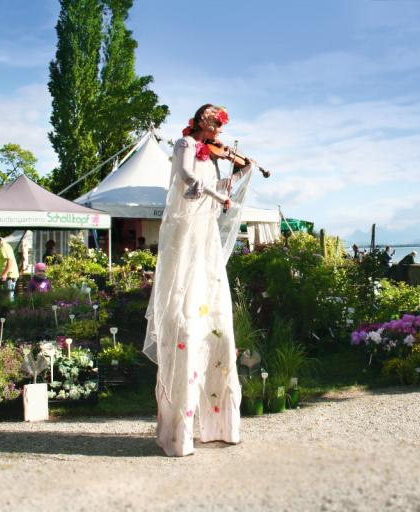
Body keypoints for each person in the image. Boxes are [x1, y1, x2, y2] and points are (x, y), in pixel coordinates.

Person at [143, 104, 252, 457]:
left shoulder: (214, 155)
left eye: (220, 128)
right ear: (203, 124)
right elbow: (187, 177)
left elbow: (213, 186)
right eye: (215, 127)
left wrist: (237, 177)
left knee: (214, 315)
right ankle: (179, 431)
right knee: (184, 313)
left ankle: (219, 425)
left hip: (203, 231)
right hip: (185, 231)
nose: (218, 135)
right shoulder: (186, 145)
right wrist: (219, 194)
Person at [0, 235, 18, 301]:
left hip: (9, 276)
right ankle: (6, 311)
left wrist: (5, 274)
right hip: (6, 276)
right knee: (5, 298)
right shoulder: (1, 247)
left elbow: (10, 260)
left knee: (9, 298)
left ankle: (11, 311)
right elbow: (3, 260)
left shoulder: (4, 246)